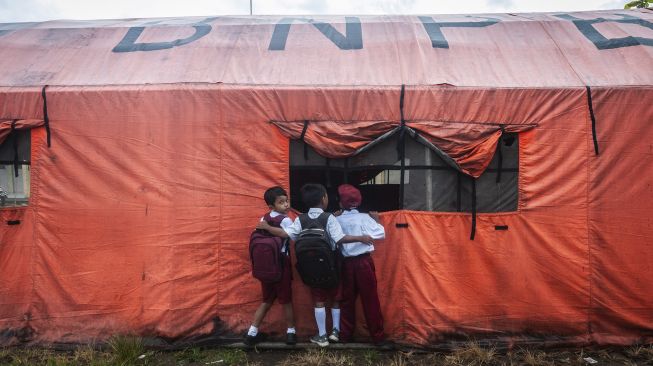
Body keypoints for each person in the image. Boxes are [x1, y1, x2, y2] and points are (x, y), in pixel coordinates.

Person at [257, 183, 373, 347]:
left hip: (311, 268)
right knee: (335, 299)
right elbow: (340, 239)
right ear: (324, 199)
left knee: (318, 299)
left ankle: (322, 335)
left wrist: (267, 227)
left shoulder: (300, 219)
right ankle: (335, 331)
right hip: (332, 266)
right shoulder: (329, 218)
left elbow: (285, 234)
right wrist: (360, 238)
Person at [334, 184, 392, 349]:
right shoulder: (365, 218)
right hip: (364, 263)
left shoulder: (336, 219)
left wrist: (333, 216)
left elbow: (333, 237)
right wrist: (377, 220)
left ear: (341, 203)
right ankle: (378, 338)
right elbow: (380, 233)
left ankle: (345, 336)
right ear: (358, 202)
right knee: (370, 300)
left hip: (346, 264)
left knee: (347, 300)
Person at [245, 186, 297, 346]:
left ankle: (251, 333)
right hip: (281, 266)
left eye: (286, 201)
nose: (286, 205)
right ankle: (291, 332)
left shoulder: (264, 218)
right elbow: (288, 235)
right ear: (271, 206)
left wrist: (267, 227)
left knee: (266, 300)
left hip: (265, 267)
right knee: (286, 300)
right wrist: (270, 229)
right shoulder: (286, 220)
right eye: (281, 202)